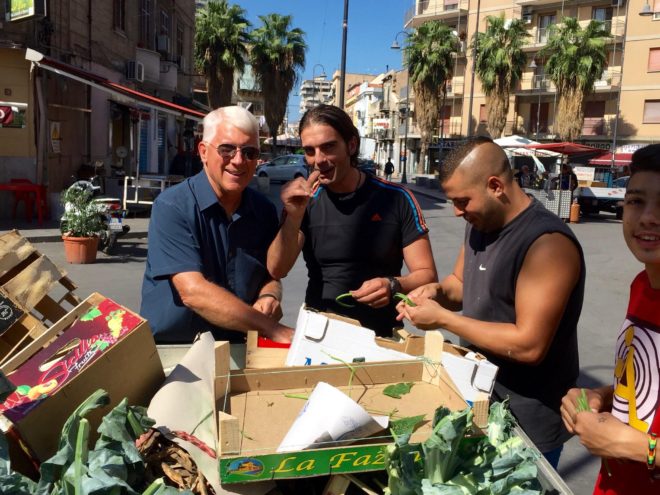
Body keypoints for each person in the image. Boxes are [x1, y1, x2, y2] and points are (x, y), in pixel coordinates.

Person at [396, 137, 585, 467]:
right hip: (480, 402)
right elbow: (459, 286)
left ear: (495, 185)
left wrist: (442, 319)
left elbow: (529, 345)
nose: (457, 212)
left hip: (527, 425)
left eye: (462, 201)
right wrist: (434, 293)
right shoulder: (480, 223)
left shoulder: (546, 243)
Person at [268, 104, 437, 337]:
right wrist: (293, 217)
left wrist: (392, 285)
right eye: (309, 151)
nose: (319, 160)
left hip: (382, 337)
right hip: (319, 335)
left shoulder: (397, 198)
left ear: (352, 145)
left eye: (328, 147)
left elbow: (427, 274)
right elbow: (277, 269)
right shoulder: (305, 201)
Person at [141, 106, 294, 344]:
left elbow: (270, 274)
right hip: (177, 351)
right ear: (203, 152)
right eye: (227, 149)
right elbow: (193, 291)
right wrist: (270, 327)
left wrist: (269, 294)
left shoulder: (263, 210)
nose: (238, 160)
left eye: (250, 152)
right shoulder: (173, 206)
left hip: (239, 347)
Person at [560, 144, 660, 494]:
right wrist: (603, 396)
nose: (648, 216)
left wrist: (638, 448)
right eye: (636, 201)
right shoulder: (642, 285)